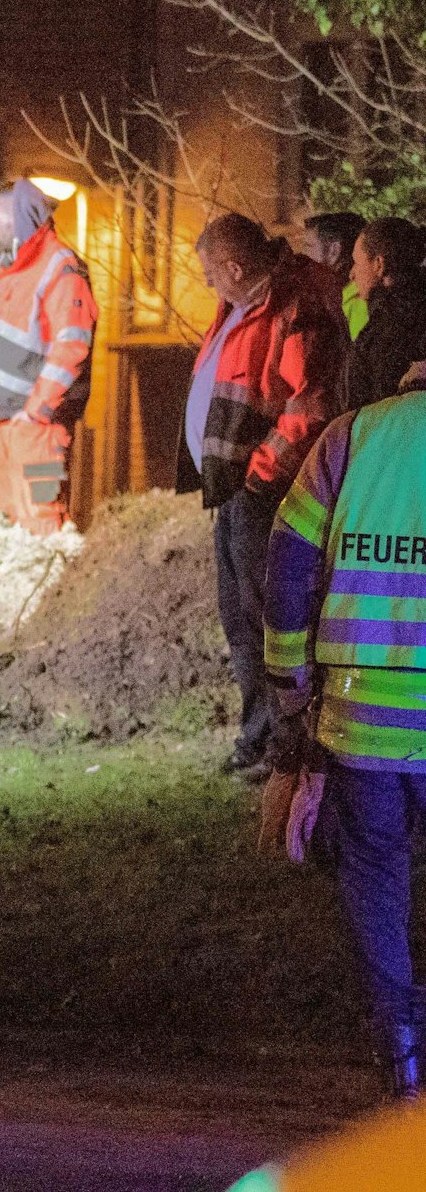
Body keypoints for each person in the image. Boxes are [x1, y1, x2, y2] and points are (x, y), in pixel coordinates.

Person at [262, 358, 426, 1099]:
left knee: (375, 874)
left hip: (361, 716)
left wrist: (289, 684)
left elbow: (287, 562)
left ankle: (400, 1051)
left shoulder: (351, 437)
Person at [188, 213, 345, 779]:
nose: (206, 282)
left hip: (264, 491)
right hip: (237, 489)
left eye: (210, 271)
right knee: (240, 619)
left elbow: (310, 401)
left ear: (234, 266)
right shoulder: (245, 302)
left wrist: (261, 472)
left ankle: (287, 745)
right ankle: (259, 736)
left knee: (268, 618)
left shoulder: (290, 303)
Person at [0, 179, 97, 536]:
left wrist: (36, 412)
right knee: (5, 524)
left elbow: (72, 346)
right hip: (9, 419)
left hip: (39, 427)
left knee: (43, 518)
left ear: (19, 218)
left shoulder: (60, 267)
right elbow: (26, 342)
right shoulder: (11, 268)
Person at [344, 216, 426, 412]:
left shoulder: (390, 331)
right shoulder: (397, 313)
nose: (352, 273)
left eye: (356, 261)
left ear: (379, 264)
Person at [302, 209, 370, 339]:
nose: (304, 254)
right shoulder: (344, 294)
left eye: (309, 246)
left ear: (334, 250)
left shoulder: (354, 300)